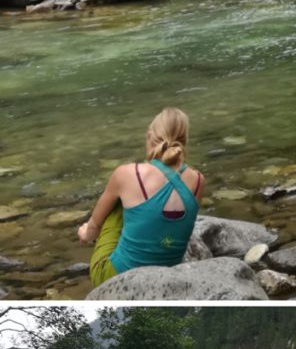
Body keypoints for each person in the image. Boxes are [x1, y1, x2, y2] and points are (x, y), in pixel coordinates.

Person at [77, 107, 204, 286]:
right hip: (168, 276)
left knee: (119, 203)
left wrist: (87, 231)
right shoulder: (198, 180)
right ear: (184, 141)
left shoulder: (128, 173)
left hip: (116, 277)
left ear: (150, 135)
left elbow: (95, 227)